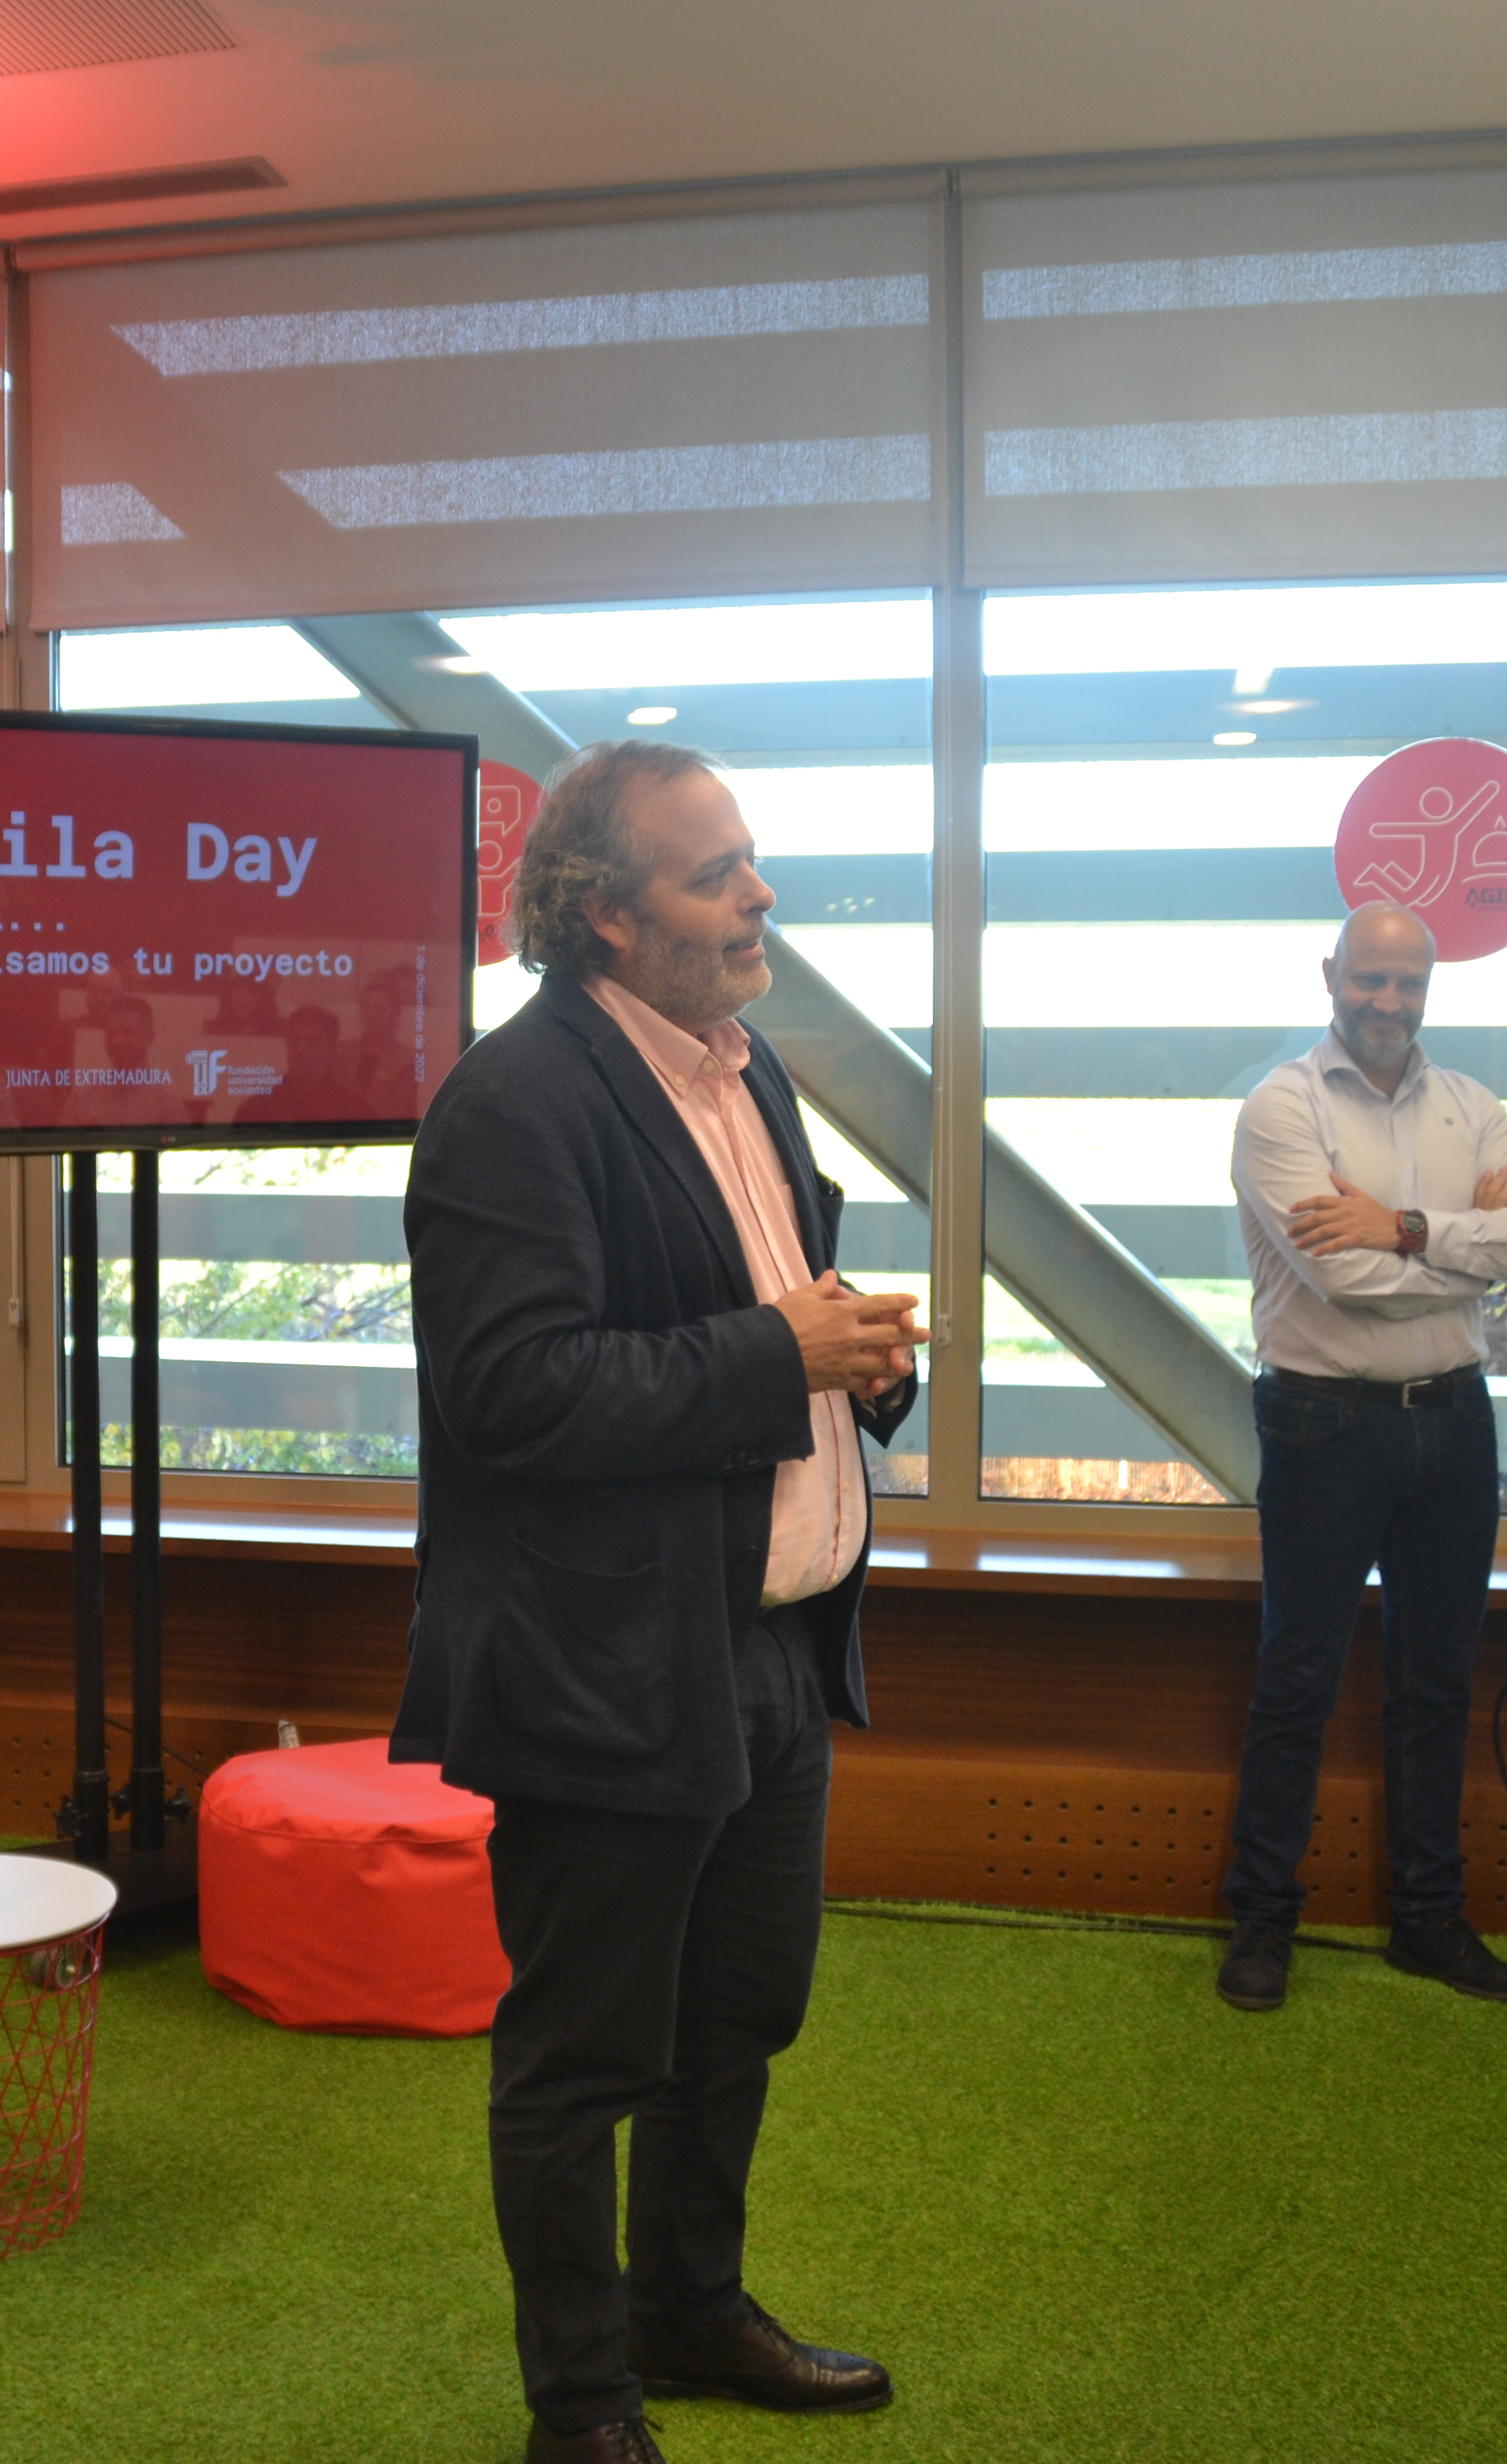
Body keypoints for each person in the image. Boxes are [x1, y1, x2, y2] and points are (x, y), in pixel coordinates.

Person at [395, 739, 922, 2464]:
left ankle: (688, 2315)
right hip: (604, 1665)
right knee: (582, 2059)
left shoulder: (741, 1070)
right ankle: (583, 2407)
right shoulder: (514, 1100)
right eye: (717, 874)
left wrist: (848, 1359)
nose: (758, 894)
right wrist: (781, 1350)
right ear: (609, 917)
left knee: (735, 2018)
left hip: (765, 1642)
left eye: (752, 858)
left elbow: (746, 1310)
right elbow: (513, 1393)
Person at [1217, 898, 1507, 2015]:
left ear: (1431, 986)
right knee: (1299, 1681)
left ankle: (1428, 1922)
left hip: (1455, 1423)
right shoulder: (1282, 1108)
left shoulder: (1472, 1106)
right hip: (1325, 1423)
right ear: (1331, 973)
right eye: (1369, 980)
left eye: (1408, 984)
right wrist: (1473, 1241)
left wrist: (1407, 1224)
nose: (1388, 1003)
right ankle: (1263, 1922)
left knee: (1437, 1686)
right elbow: (1344, 1281)